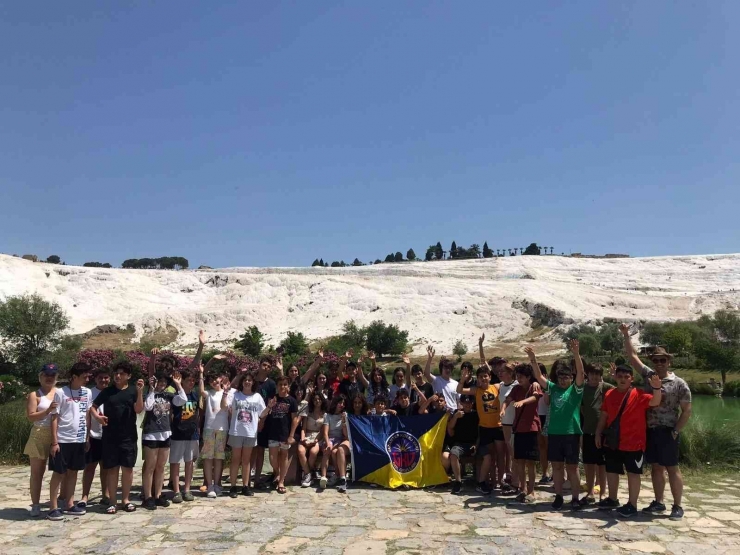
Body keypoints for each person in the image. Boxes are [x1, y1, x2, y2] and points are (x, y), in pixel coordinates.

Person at [621, 323, 691, 520]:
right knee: (656, 467)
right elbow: (632, 357)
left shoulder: (679, 383)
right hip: (649, 430)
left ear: (668, 362)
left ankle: (677, 505)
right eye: (656, 360)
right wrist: (626, 335)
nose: (659, 363)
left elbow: (687, 411)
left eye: (662, 360)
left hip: (668, 430)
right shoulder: (648, 375)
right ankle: (659, 502)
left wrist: (676, 431)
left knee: (672, 468)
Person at [595, 365, 663, 518]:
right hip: (613, 441)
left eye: (626, 377)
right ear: (615, 378)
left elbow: (655, 402)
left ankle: (632, 504)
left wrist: (657, 388)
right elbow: (604, 416)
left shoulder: (638, 394)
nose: (623, 379)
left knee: (633, 473)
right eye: (620, 376)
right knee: (611, 471)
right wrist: (598, 433)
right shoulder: (609, 394)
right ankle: (612, 499)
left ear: (632, 378)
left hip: (634, 443)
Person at [527, 341, 585, 511]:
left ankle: (575, 498)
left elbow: (581, 372)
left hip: (571, 433)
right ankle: (559, 496)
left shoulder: (576, 390)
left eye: (566, 377)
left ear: (571, 378)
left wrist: (576, 354)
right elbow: (539, 377)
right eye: (560, 377)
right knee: (557, 467)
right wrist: (533, 359)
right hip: (554, 433)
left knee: (572, 467)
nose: (563, 380)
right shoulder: (553, 388)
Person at [90, 361, 145, 514]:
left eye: (121, 373)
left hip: (128, 436)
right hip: (110, 437)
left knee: (127, 469)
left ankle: (126, 500)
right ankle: (112, 502)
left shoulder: (134, 391)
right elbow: (93, 407)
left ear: (129, 376)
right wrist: (98, 418)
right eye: (116, 373)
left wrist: (140, 392)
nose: (118, 376)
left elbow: (139, 409)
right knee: (112, 469)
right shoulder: (107, 392)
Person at [47, 363, 93, 520]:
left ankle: (70, 504)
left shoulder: (87, 392)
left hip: (79, 439)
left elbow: (87, 416)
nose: (87, 379)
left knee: (73, 472)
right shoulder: (60, 392)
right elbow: (54, 417)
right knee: (59, 473)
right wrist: (54, 442)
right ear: (74, 377)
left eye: (88, 376)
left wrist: (87, 437)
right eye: (84, 376)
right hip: (63, 439)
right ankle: (53, 507)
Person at [141, 370, 186, 509]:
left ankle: (158, 495)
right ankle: (148, 496)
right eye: (159, 382)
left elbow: (182, 400)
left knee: (160, 467)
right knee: (150, 467)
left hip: (165, 433)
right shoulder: (150, 394)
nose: (161, 385)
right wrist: (152, 390)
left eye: (164, 383)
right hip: (151, 434)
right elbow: (147, 406)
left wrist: (178, 385)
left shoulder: (169, 395)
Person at [457, 363, 504, 495]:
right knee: (490, 457)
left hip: (498, 426)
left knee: (501, 455)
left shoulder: (496, 387)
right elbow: (459, 390)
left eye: (486, 376)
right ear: (477, 379)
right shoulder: (476, 390)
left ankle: (501, 481)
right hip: (485, 428)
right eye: (481, 377)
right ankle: (490, 480)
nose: (484, 379)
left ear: (490, 377)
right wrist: (463, 379)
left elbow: (510, 383)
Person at [222, 372, 270, 497]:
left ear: (253, 382)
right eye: (245, 380)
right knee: (235, 460)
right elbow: (224, 406)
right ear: (242, 382)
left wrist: (269, 407)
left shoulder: (257, 397)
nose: (247, 382)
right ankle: (233, 486)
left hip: (250, 432)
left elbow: (262, 413)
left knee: (246, 461)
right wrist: (225, 392)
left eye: (249, 380)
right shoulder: (235, 394)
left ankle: (245, 485)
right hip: (237, 431)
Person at [501, 363, 542, 504]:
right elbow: (507, 400)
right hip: (518, 429)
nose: (519, 379)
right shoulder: (516, 389)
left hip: (531, 429)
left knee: (530, 463)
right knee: (520, 462)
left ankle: (532, 491)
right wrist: (503, 409)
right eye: (517, 376)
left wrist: (522, 402)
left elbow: (536, 398)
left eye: (521, 377)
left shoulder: (534, 387)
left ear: (529, 377)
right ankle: (523, 489)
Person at [24, 363, 60, 517]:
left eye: (52, 376)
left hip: (57, 434)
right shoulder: (35, 395)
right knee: (37, 473)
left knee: (60, 470)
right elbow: (31, 416)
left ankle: (60, 500)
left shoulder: (59, 392)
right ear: (40, 377)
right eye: (46, 375)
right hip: (39, 434)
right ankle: (36, 504)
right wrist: (47, 411)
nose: (49, 378)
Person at [581, 362, 613, 505]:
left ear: (601, 376)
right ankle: (590, 492)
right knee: (589, 463)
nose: (595, 377)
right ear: (588, 374)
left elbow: (620, 390)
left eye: (598, 374)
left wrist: (613, 377)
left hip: (603, 432)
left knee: (602, 464)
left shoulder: (605, 387)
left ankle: (603, 492)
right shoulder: (582, 389)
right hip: (586, 431)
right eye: (592, 374)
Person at [80, 367, 111, 509]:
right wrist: (86, 437)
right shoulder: (89, 393)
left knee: (106, 468)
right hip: (92, 435)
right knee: (89, 467)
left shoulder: (112, 392)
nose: (103, 380)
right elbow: (86, 415)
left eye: (106, 377)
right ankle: (84, 496)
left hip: (108, 435)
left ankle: (106, 494)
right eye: (100, 377)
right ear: (95, 378)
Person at [169, 367, 201, 503]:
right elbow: (171, 414)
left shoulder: (195, 395)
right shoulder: (176, 396)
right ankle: (176, 490)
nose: (191, 383)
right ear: (182, 382)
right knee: (175, 462)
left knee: (189, 462)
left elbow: (197, 412)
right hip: (178, 433)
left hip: (191, 434)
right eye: (188, 380)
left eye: (193, 381)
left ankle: (187, 489)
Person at [200, 362, 229, 498]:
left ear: (221, 380)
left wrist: (225, 393)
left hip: (222, 429)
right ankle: (210, 485)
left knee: (218, 458)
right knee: (207, 458)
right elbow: (201, 391)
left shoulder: (226, 393)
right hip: (209, 429)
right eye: (211, 381)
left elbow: (224, 408)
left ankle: (217, 484)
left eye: (216, 379)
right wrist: (201, 373)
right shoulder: (209, 393)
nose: (214, 382)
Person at [267, 376, 300, 494]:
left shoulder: (292, 401)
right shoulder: (272, 399)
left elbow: (295, 420)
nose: (282, 387)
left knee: (284, 456)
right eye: (280, 384)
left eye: (285, 384)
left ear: (288, 386)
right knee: (272, 458)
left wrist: (291, 436)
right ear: (277, 386)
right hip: (273, 433)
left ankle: (281, 481)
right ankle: (277, 472)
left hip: (285, 433)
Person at [251, 356, 277, 487]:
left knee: (260, 450)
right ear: (259, 365)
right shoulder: (251, 380)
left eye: (268, 366)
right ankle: (246, 478)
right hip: (248, 420)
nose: (266, 367)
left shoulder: (271, 384)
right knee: (249, 450)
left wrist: (262, 420)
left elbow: (271, 404)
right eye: (264, 364)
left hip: (264, 420)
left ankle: (257, 479)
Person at [447, 394, 479, 494]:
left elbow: (480, 432)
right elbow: (450, 428)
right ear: (461, 403)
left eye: (469, 403)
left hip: (473, 444)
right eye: (465, 403)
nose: (467, 405)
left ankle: (481, 482)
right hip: (459, 444)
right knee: (453, 454)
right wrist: (456, 417)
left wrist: (476, 445)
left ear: (472, 403)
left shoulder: (476, 415)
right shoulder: (457, 413)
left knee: (486, 455)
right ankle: (458, 482)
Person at [320, 394, 351, 492]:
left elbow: (345, 435)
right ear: (335, 403)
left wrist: (343, 421)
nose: (341, 405)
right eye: (340, 403)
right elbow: (325, 432)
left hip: (340, 439)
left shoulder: (345, 415)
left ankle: (338, 476)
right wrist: (328, 442)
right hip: (330, 438)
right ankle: (323, 476)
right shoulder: (328, 415)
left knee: (334, 452)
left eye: (343, 403)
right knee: (327, 450)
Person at [497, 362, 519, 492]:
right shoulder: (500, 385)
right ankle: (512, 478)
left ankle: (517, 482)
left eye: (503, 371)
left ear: (511, 373)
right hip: (505, 423)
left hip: (514, 423)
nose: (500, 373)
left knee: (515, 453)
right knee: (510, 452)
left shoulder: (516, 385)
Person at [298, 391, 327, 487]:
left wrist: (316, 440)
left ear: (322, 401)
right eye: (315, 399)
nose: (317, 401)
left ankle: (307, 474)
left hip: (318, 437)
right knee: (300, 450)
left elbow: (323, 431)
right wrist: (303, 439)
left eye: (319, 399)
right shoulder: (308, 412)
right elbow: (303, 428)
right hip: (307, 435)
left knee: (314, 452)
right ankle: (308, 474)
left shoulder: (325, 414)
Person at [423, 346, 458, 411]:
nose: (447, 370)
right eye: (445, 368)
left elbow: (458, 400)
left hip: (453, 414)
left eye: (449, 368)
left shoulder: (456, 384)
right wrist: (430, 358)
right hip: (440, 413)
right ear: (441, 369)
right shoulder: (436, 380)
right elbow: (426, 374)